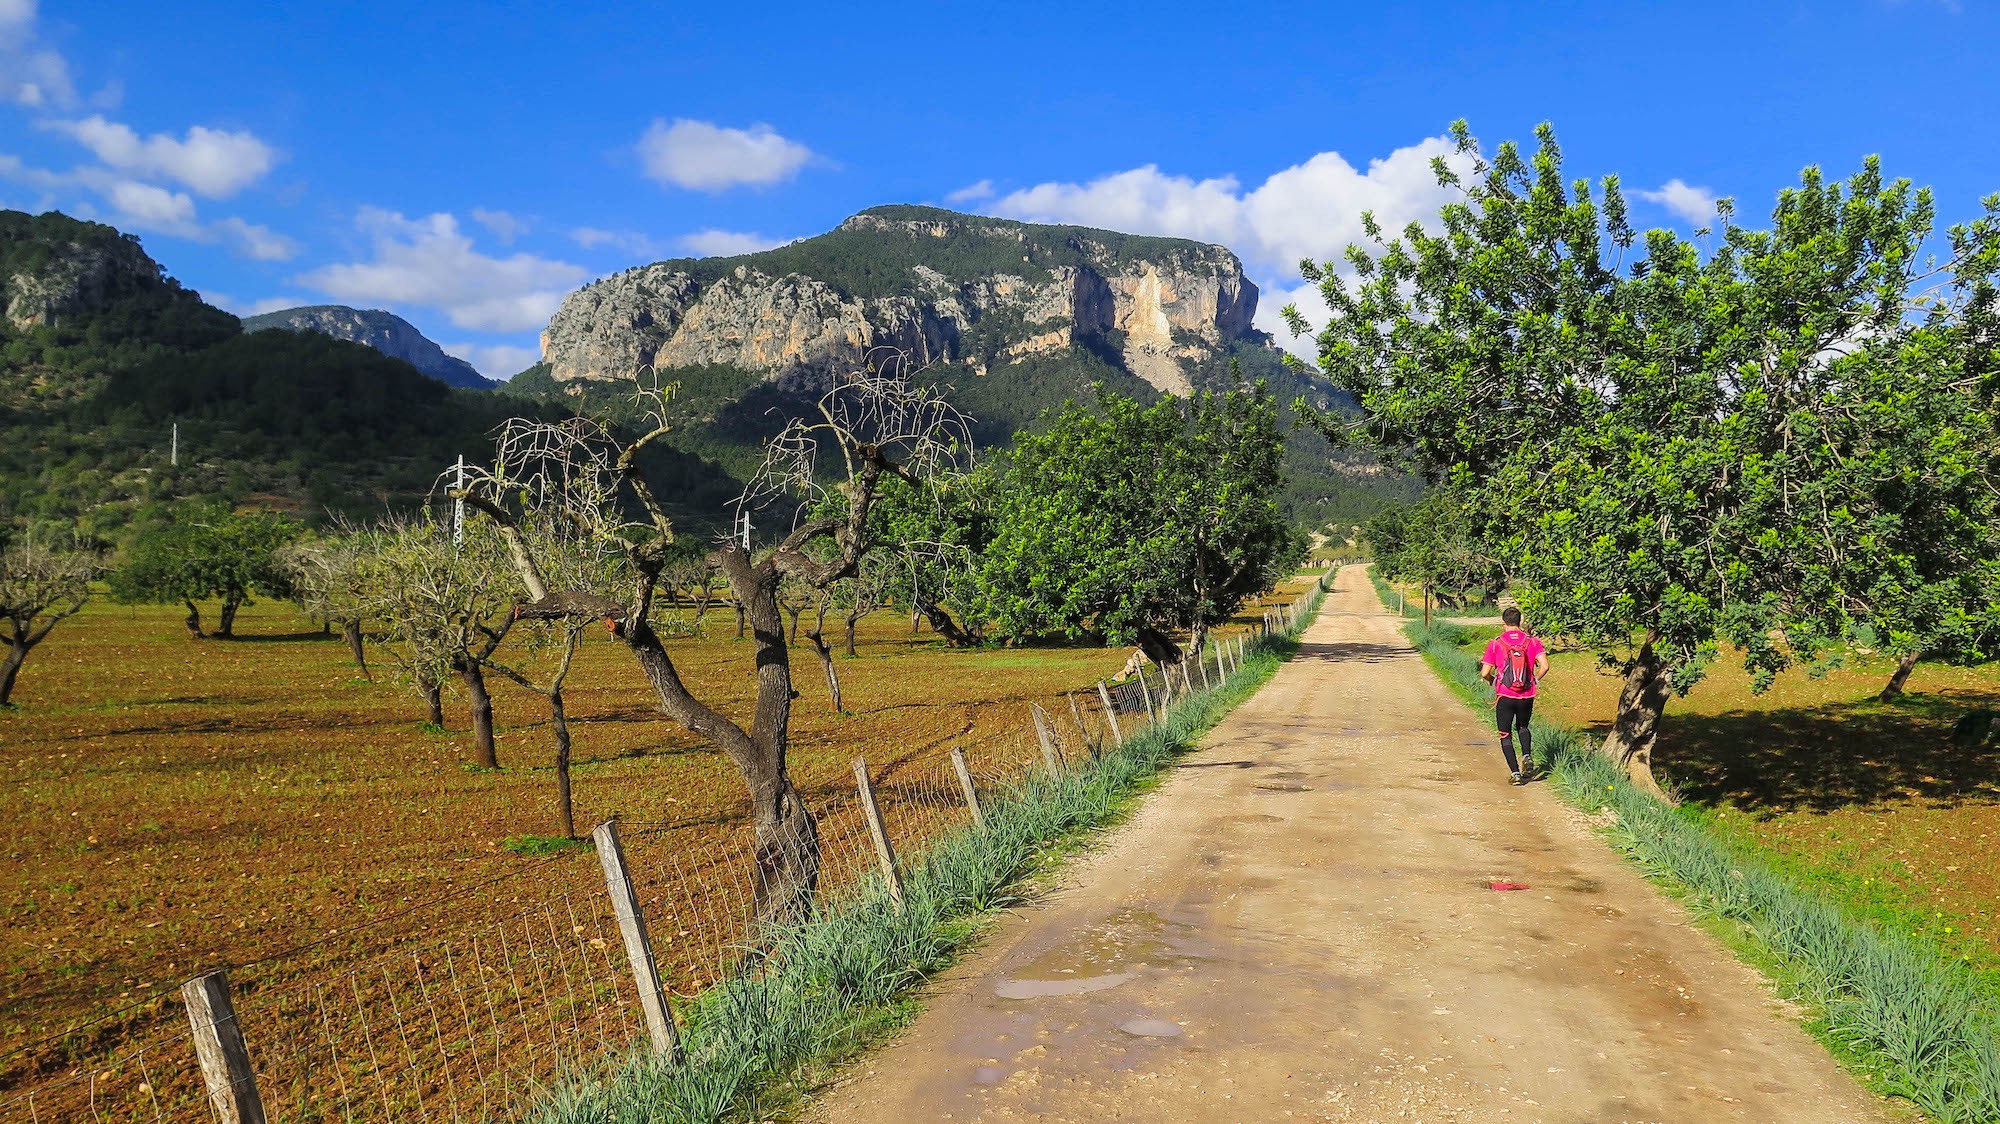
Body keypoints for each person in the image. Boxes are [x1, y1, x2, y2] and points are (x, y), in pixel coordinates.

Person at [1479, 607, 1549, 785]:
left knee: (1505, 734)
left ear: (1503, 623)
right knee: (1523, 727)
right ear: (1521, 621)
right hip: (1527, 694)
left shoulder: (1496, 643)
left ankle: (1516, 773)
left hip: (1505, 695)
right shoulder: (1532, 641)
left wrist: (1493, 680)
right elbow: (1545, 666)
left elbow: (1484, 672)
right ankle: (1526, 755)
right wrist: (1534, 679)